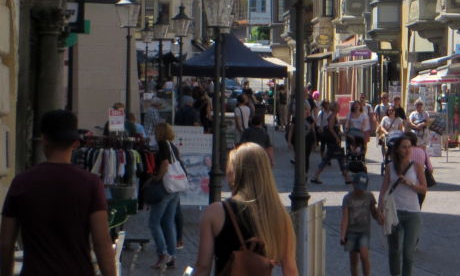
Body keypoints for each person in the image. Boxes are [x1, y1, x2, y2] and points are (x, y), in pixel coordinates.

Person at [0, 109, 116, 276]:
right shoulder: (90, 184)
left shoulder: (22, 182)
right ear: (75, 143)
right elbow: (102, 242)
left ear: (44, 140)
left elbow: (6, 243)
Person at [193, 143, 298, 276]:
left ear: (234, 172)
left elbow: (203, 266)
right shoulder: (280, 216)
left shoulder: (214, 213)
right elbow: (290, 270)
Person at [379, 131, 426, 276]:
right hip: (394, 211)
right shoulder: (390, 167)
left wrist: (410, 184)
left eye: (409, 147)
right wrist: (380, 209)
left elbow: (424, 189)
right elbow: (384, 190)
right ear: (397, 149)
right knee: (394, 250)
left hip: (412, 213)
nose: (407, 150)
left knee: (408, 253)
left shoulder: (417, 166)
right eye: (404, 147)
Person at [149, 122, 183, 268]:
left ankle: (163, 253)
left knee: (154, 222)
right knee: (168, 221)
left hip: (166, 187)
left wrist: (157, 178)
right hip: (176, 188)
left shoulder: (163, 145)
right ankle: (172, 255)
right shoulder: (173, 146)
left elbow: (164, 163)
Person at [340, 172, 382, 276]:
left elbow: (374, 213)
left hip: (364, 232)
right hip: (351, 232)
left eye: (362, 188)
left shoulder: (369, 196)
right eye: (358, 187)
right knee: (353, 260)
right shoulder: (347, 198)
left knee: (364, 255)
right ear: (353, 185)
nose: (359, 190)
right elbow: (345, 218)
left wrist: (379, 217)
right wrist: (342, 235)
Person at [312, 100, 350, 184]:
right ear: (335, 108)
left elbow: (335, 129)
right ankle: (315, 176)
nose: (339, 107)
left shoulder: (333, 116)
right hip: (333, 141)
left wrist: (342, 133)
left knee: (336, 158)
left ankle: (346, 177)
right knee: (334, 158)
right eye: (338, 106)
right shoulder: (332, 116)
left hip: (333, 141)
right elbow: (330, 128)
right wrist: (336, 137)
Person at [404, 130, 433, 208]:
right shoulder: (422, 151)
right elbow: (430, 169)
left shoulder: (402, 152)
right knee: (417, 208)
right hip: (420, 185)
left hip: (405, 184)